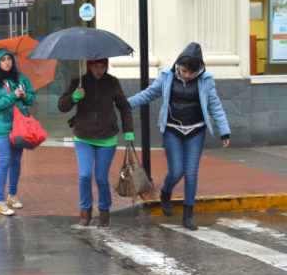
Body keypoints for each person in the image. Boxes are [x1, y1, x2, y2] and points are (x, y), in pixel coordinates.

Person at [128, 42, 230, 230]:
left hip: (196, 130)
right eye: (184, 71)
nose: (187, 75)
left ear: (199, 69)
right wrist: (126, 104)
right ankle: (166, 192)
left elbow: (214, 105)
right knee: (176, 171)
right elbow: (149, 94)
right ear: (178, 66)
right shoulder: (166, 76)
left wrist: (224, 130)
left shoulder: (206, 79)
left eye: (191, 72)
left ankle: (187, 215)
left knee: (191, 173)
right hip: (173, 129)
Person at [58, 58, 134, 228]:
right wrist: (75, 97)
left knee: (101, 178)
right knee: (85, 175)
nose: (99, 70)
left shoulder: (112, 82)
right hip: (83, 137)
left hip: (107, 138)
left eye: (102, 66)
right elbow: (62, 106)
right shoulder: (79, 82)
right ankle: (85, 211)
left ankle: (104, 211)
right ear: (89, 66)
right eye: (95, 66)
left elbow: (124, 106)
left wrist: (128, 130)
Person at [0, 49, 36, 216]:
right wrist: (13, 96)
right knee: (4, 161)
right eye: (3, 60)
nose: (7, 62)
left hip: (20, 128)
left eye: (9, 59)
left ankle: (12, 195)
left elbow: (32, 98)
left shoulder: (22, 79)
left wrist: (23, 96)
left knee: (16, 161)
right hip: (2, 128)